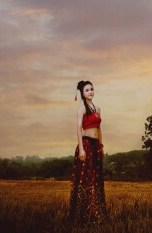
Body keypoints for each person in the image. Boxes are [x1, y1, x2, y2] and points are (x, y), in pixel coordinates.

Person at [69, 80, 106, 223]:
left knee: (96, 180)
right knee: (85, 180)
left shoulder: (98, 109)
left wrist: (101, 146)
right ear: (83, 94)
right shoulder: (82, 109)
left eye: (92, 89)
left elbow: (99, 129)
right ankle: (81, 216)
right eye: (87, 90)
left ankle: (96, 214)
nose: (90, 91)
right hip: (86, 145)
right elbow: (79, 129)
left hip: (96, 146)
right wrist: (81, 150)